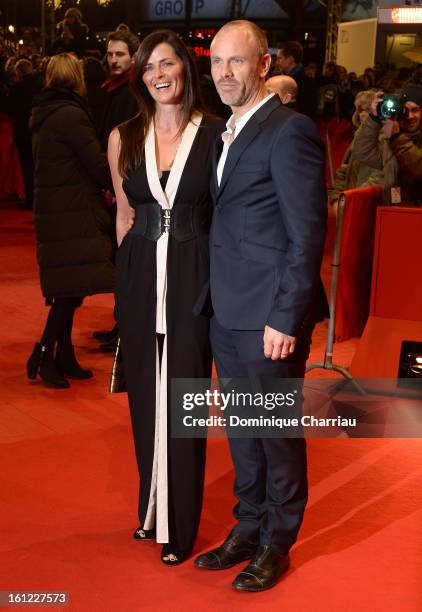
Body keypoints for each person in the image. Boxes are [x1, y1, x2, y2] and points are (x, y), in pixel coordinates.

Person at [194, 21, 327, 592]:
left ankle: (278, 540)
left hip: (269, 315)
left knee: (274, 432)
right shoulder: (228, 130)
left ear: (264, 63)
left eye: (237, 62)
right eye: (217, 62)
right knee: (245, 433)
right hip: (226, 308)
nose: (225, 73)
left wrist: (286, 315)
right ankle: (247, 525)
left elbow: (308, 233)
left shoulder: (288, 129)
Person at [108, 29, 224, 565]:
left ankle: (178, 528)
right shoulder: (123, 136)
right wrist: (123, 284)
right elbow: (124, 216)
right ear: (140, 77)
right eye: (149, 66)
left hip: (193, 275)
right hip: (138, 277)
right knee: (145, 406)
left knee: (184, 401)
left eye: (167, 63)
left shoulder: (216, 136)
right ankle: (150, 508)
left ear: (185, 68)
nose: (158, 73)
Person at [27, 53, 114, 389]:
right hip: (71, 211)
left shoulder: (44, 112)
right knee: (68, 294)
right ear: (76, 77)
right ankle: (44, 353)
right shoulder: (71, 114)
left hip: (56, 209)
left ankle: (63, 355)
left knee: (70, 290)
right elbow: (96, 164)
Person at [353, 84, 422, 206]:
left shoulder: (396, 139)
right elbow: (362, 153)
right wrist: (374, 118)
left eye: (415, 110)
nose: (410, 116)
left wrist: (397, 138)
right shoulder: (391, 139)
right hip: (392, 212)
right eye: (405, 111)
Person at [276, 40, 317, 118]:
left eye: (279, 58)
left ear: (290, 59)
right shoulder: (283, 78)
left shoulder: (305, 82)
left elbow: (307, 112)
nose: (277, 62)